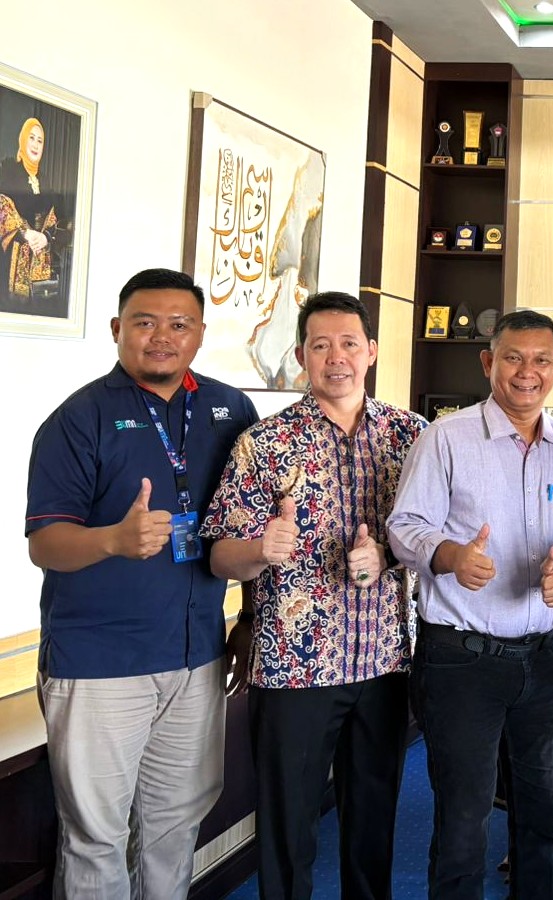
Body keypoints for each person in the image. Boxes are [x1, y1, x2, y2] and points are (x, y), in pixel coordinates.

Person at [25, 267, 258, 898]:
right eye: (144, 323)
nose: (162, 337)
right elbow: (44, 543)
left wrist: (249, 620)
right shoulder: (79, 420)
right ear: (116, 329)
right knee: (96, 837)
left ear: (200, 333)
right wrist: (113, 540)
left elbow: (249, 525)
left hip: (197, 656)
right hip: (100, 664)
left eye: (179, 324)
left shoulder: (230, 410)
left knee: (174, 828)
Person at [200, 291, 427, 900]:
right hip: (294, 667)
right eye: (320, 345)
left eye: (349, 343)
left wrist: (387, 554)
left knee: (372, 827)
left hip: (383, 661)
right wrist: (260, 550)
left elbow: (436, 537)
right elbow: (220, 552)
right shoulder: (265, 441)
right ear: (301, 355)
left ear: (371, 351)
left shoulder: (411, 436)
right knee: (287, 830)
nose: (336, 357)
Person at [388, 309, 553, 900]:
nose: (527, 372)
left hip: (544, 659)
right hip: (461, 660)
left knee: (544, 816)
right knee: (463, 823)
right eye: (513, 358)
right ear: (488, 362)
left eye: (541, 360)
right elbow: (404, 526)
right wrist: (451, 555)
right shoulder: (445, 438)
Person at [0, 117, 59, 303]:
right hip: (10, 260)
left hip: (40, 263)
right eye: (31, 138)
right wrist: (24, 233)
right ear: (23, 140)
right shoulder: (8, 173)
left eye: (40, 141)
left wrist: (45, 237)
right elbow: (2, 210)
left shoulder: (46, 180)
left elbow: (54, 218)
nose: (35, 144)